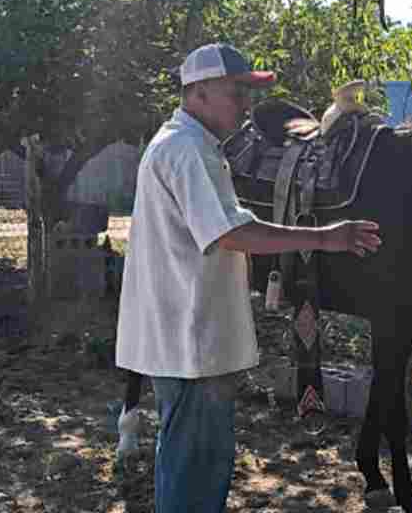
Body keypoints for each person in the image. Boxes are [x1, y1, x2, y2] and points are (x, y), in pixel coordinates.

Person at [115, 43, 381, 513]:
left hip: (188, 337)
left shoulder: (188, 145)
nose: (246, 104)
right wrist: (325, 237)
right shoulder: (186, 149)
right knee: (195, 465)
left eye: (248, 92)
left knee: (190, 460)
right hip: (190, 341)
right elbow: (232, 232)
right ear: (197, 94)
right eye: (236, 92)